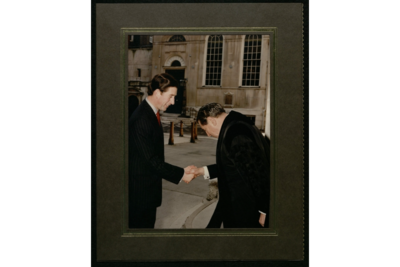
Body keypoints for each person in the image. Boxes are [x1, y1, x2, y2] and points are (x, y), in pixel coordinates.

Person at [128, 73, 196, 229]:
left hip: (147, 193)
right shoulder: (141, 119)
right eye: (171, 96)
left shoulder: (152, 113)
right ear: (158, 93)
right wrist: (182, 173)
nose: (173, 102)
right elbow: (152, 161)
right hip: (139, 196)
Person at [189, 103, 271, 228]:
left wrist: (264, 210)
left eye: (205, 129)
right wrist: (202, 171)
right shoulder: (235, 126)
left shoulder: (236, 134)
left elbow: (259, 172)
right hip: (240, 206)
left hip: (247, 210)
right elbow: (234, 165)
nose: (208, 135)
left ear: (212, 121)